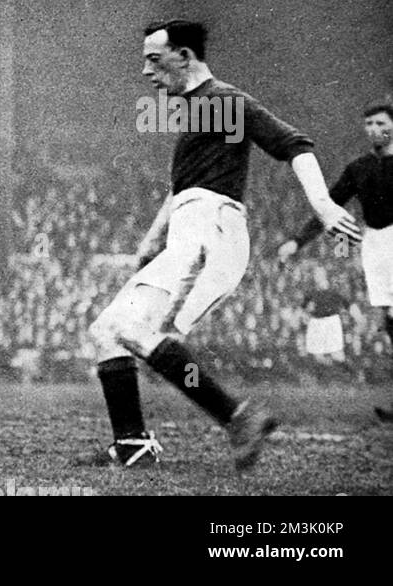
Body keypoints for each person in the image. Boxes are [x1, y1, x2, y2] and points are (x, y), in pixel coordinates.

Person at [86, 20, 364, 470]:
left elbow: (296, 145)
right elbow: (182, 188)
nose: (145, 72)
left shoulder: (224, 100)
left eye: (154, 60)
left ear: (185, 57)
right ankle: (133, 444)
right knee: (107, 332)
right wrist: (151, 240)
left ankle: (237, 417)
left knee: (136, 331)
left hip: (209, 232)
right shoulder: (199, 111)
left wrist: (325, 206)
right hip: (191, 230)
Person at [277, 102, 393, 422]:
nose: (373, 129)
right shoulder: (359, 168)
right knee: (389, 317)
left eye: (380, 123)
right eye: (368, 123)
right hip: (376, 240)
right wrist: (297, 241)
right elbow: (328, 208)